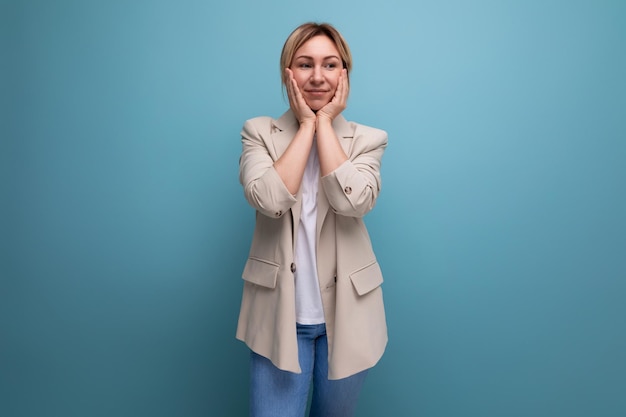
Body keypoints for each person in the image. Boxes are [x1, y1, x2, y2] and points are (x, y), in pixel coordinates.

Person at [236, 22, 388, 417]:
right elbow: (268, 199)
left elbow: (352, 202)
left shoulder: (368, 139)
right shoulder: (258, 132)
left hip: (349, 316)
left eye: (330, 64)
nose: (318, 77)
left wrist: (325, 126)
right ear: (288, 72)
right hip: (279, 315)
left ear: (344, 74)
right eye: (305, 64)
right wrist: (307, 125)